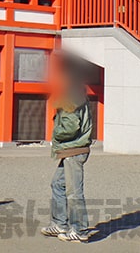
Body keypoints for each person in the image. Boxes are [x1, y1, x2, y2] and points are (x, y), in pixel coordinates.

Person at [41, 82, 93, 243]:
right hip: (71, 150)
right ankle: (59, 223)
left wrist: (56, 134)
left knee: (73, 191)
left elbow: (71, 127)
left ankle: (79, 229)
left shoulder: (72, 99)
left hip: (74, 150)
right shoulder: (78, 98)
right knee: (57, 184)